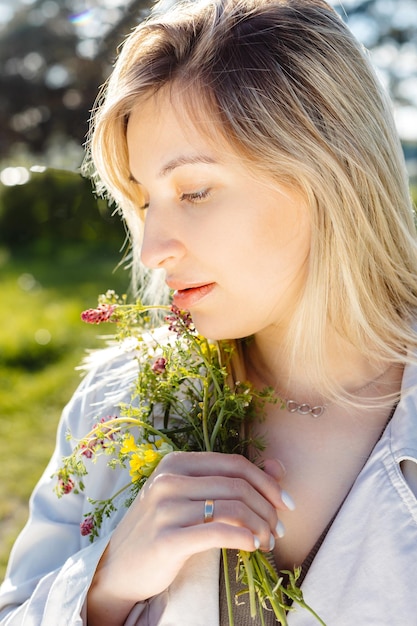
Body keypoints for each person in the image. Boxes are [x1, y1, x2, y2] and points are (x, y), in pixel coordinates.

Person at [1, 0, 417, 623]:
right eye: (143, 201)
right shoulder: (112, 407)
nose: (152, 249)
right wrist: (106, 583)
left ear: (332, 174)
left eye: (193, 191)